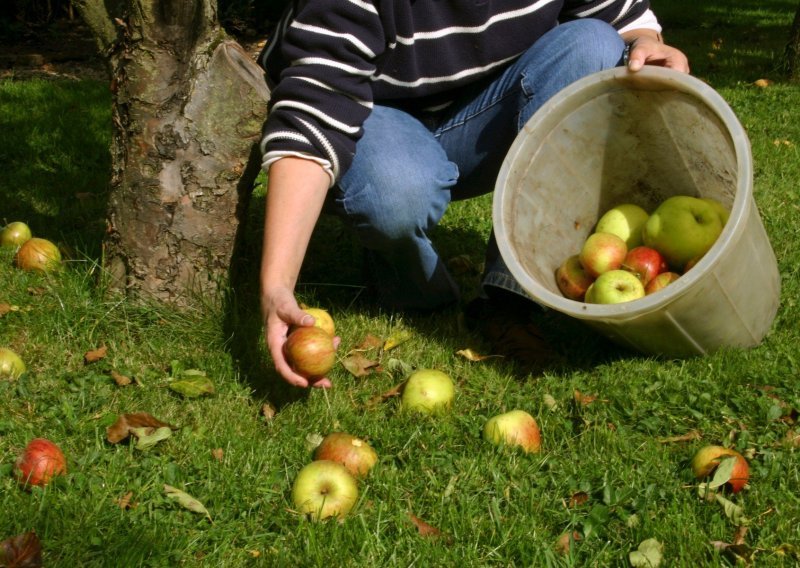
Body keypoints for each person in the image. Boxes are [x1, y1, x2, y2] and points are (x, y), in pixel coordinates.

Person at [258, 0, 690, 389]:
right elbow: (309, 126)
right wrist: (277, 286)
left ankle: (509, 297)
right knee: (397, 189)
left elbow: (619, 17)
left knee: (594, 44)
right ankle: (412, 285)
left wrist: (647, 42)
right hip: (370, 120)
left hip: (480, 115)